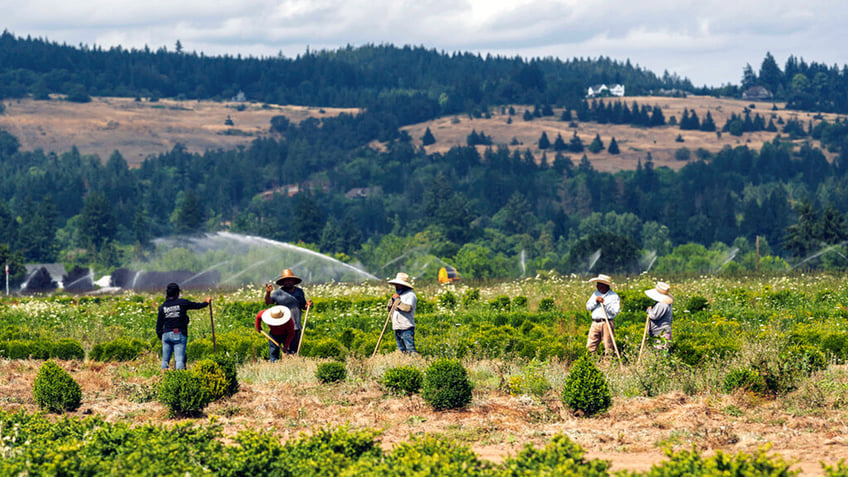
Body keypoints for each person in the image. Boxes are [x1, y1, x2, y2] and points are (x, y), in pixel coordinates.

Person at [155, 282, 211, 371]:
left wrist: (161, 337)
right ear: (177, 293)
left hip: (166, 335)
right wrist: (206, 302)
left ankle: (163, 378)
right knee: (179, 360)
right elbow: (197, 306)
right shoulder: (182, 303)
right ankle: (180, 379)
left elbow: (158, 326)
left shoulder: (163, 306)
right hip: (178, 333)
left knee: (165, 360)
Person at [264, 269, 312, 354]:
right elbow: (268, 302)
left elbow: (303, 306)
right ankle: (278, 362)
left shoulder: (299, 292)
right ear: (282, 282)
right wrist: (268, 293)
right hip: (283, 325)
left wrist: (308, 305)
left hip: (296, 325)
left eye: (290, 280)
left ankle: (292, 362)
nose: (288, 282)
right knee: (282, 347)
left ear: (293, 281)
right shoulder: (278, 293)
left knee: (294, 349)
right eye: (285, 281)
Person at [585, 274, 620, 356]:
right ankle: (590, 363)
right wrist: (595, 301)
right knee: (591, 345)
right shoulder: (595, 294)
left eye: (599, 284)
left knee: (608, 346)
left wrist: (604, 302)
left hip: (606, 323)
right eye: (597, 284)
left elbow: (615, 311)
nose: (597, 286)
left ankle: (608, 365)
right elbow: (588, 307)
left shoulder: (613, 296)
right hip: (595, 323)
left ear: (605, 285)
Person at [386, 272, 417, 354]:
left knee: (410, 348)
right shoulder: (399, 295)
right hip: (397, 327)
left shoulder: (410, 295)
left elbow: (407, 308)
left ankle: (416, 363)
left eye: (398, 284)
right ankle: (406, 364)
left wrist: (397, 301)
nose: (396, 286)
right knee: (402, 350)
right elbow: (389, 309)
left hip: (406, 327)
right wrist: (391, 302)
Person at [644, 282, 674, 350]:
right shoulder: (665, 304)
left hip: (661, 333)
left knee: (661, 352)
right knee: (662, 351)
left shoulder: (662, 304)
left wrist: (649, 310)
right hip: (662, 332)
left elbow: (654, 316)